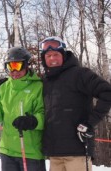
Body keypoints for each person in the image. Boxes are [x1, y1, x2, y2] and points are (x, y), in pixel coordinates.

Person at [39, 36, 111, 171]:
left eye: (56, 54)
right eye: (48, 55)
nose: (52, 59)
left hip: (78, 151)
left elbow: (107, 92)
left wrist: (90, 122)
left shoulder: (80, 74)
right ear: (44, 59)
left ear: (64, 55)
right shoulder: (45, 81)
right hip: (55, 153)